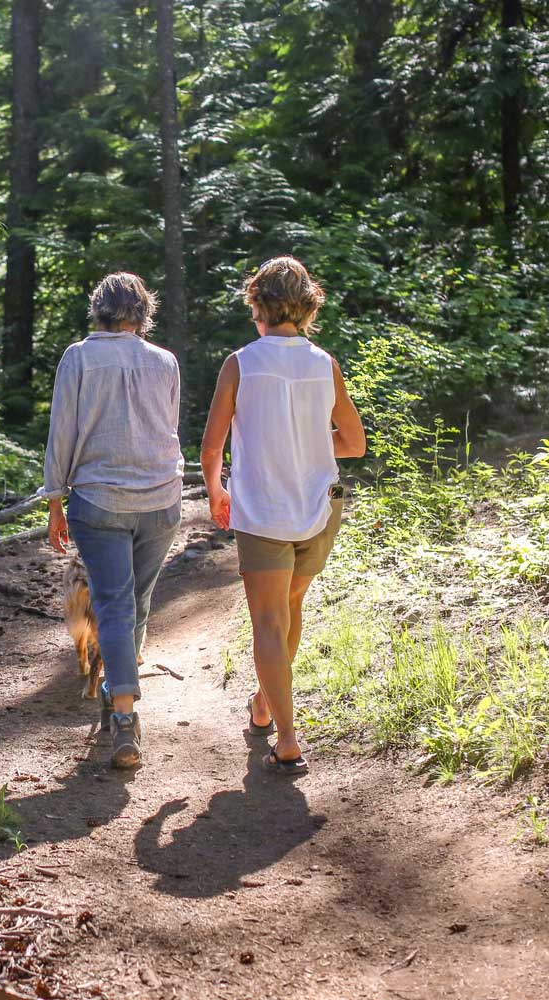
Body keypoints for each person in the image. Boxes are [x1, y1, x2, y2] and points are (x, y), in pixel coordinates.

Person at [200, 256, 365, 776]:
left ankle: (288, 739)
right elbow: (354, 443)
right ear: (306, 309)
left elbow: (213, 445)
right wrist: (308, 443)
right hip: (319, 509)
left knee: (270, 622)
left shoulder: (241, 363)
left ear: (258, 307)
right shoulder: (324, 363)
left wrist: (215, 489)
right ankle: (266, 705)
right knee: (290, 611)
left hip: (263, 511)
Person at [42, 272, 184, 769]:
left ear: (97, 310)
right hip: (162, 500)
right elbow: (168, 426)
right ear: (143, 314)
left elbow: (62, 431)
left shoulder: (79, 357)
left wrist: (55, 499)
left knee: (118, 606)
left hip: (100, 502)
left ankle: (123, 716)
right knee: (134, 604)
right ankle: (114, 692)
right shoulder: (164, 360)